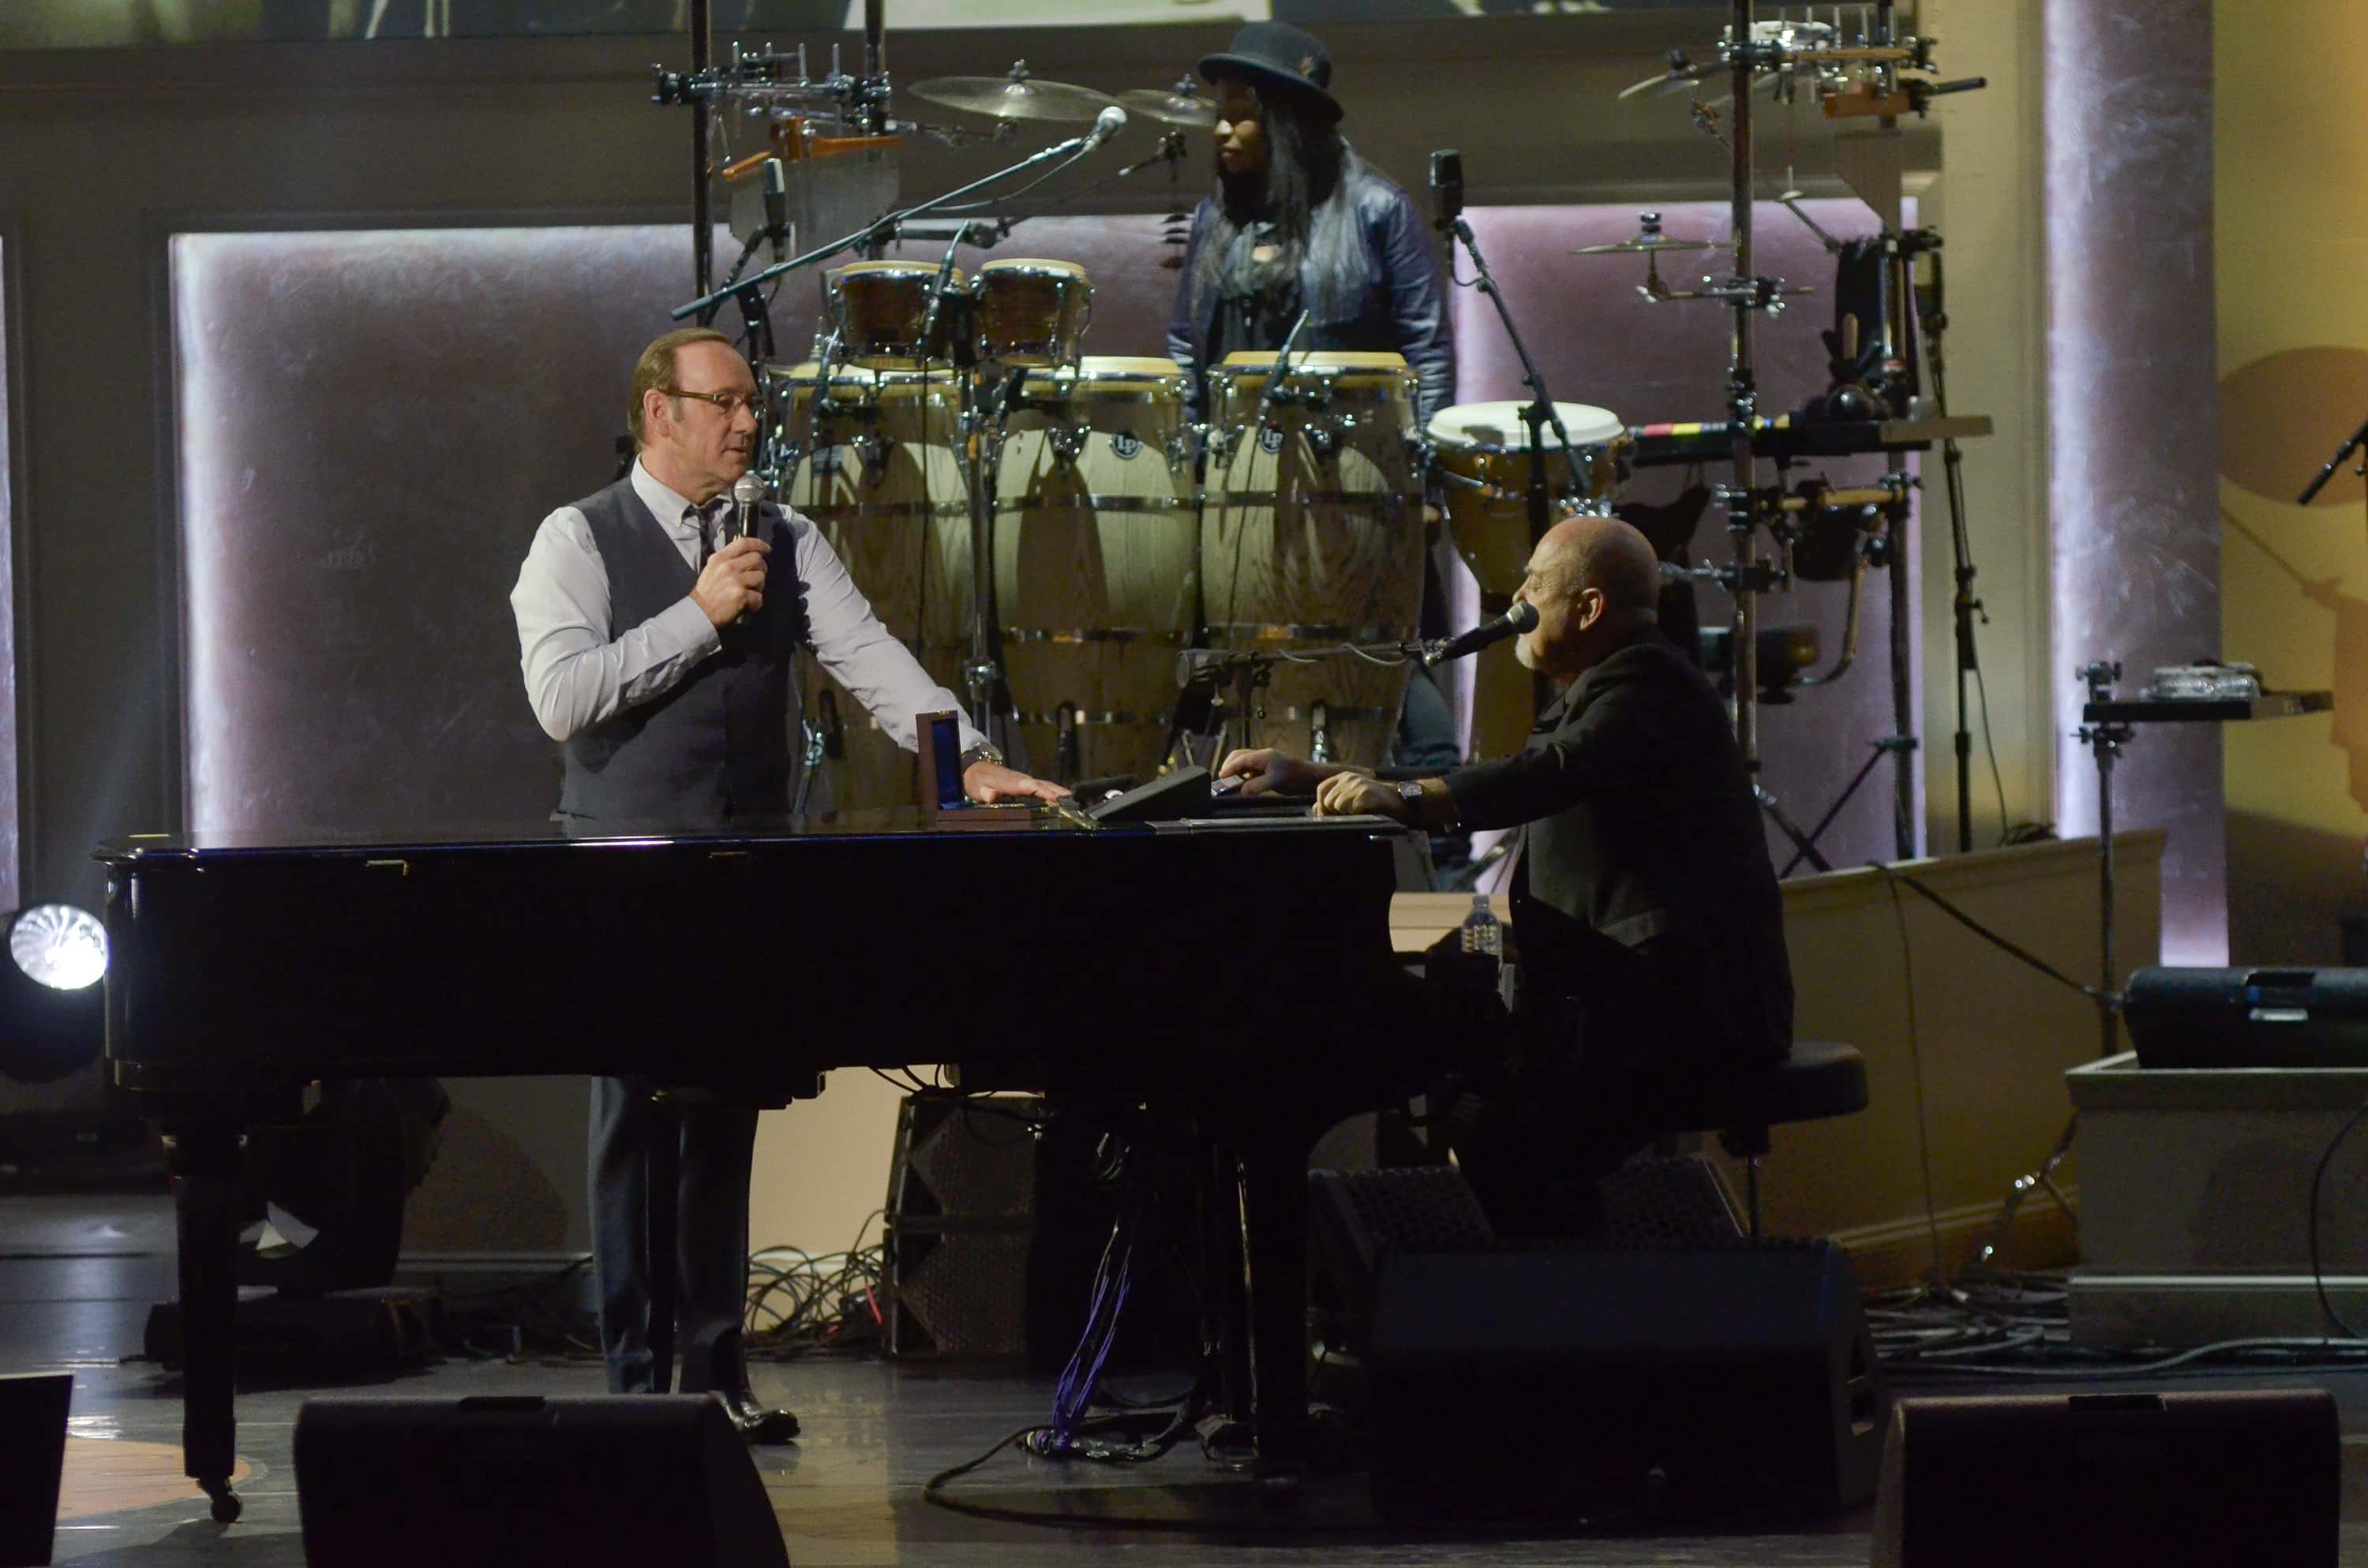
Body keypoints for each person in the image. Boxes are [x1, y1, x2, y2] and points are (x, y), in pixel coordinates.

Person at [509, 327, 1065, 1440]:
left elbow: (871, 657)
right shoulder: (577, 535)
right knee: (632, 1122)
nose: (749, 423)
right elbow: (562, 697)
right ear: (660, 412)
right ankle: (635, 1389)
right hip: (624, 869)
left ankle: (715, 1377)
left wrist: (966, 761)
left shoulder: (784, 534)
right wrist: (698, 615)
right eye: (724, 403)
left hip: (742, 868)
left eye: (753, 403)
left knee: (722, 1111)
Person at [1219, 514, 1793, 1238]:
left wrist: (1406, 800)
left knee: (1501, 1115)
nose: (1515, 598)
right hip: (1602, 976)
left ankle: (1566, 1309)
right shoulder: (1610, 684)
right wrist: (1312, 776)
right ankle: (1549, 1299)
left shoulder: (1650, 684)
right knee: (1416, 946)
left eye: (1534, 583)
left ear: (1587, 608)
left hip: (1681, 1008)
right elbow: (1511, 775)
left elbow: (1550, 772)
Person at [1164, 20, 1456, 428]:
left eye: (1242, 115)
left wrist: (1424, 465)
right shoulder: (1214, 215)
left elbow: (1427, 352)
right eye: (1220, 114)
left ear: (1289, 124)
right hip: (1231, 460)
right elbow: (1185, 345)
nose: (1222, 130)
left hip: (1349, 459)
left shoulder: (1379, 208)